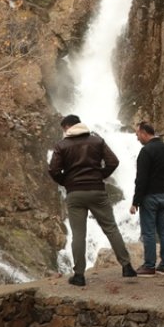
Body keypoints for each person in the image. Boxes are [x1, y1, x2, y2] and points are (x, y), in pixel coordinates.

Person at [47, 115, 137, 286]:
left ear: (67, 127)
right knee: (111, 228)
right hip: (97, 190)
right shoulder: (97, 141)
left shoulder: (61, 146)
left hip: (75, 194)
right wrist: (100, 176)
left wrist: (67, 182)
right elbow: (113, 161)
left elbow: (53, 170)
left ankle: (79, 275)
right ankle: (127, 267)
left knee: (78, 235)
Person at [129, 121, 164, 277]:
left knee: (149, 232)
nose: (137, 138)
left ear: (144, 133)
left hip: (149, 197)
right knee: (163, 230)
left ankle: (149, 266)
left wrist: (135, 202)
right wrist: (161, 177)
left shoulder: (146, 151)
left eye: (138, 134)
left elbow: (141, 179)